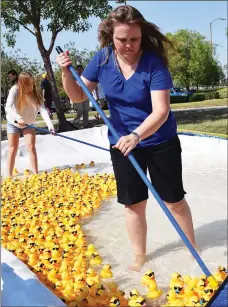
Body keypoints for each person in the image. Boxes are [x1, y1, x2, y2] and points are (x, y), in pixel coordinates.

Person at [56, 5, 198, 271]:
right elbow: (76, 97)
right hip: (123, 146)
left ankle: (192, 250)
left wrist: (137, 135)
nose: (129, 45)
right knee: (133, 204)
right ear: (111, 37)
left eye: (134, 38)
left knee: (173, 200)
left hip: (159, 141)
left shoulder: (154, 63)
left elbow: (161, 111)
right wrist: (66, 72)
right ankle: (139, 258)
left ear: (142, 35)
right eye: (122, 39)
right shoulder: (102, 59)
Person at [5, 71, 55, 178]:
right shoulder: (15, 90)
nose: (32, 86)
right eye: (29, 83)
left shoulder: (36, 93)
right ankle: (9, 176)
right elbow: (8, 107)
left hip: (29, 124)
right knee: (13, 148)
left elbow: (42, 110)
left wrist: (50, 125)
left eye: (32, 83)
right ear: (22, 84)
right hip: (14, 123)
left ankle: (36, 174)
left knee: (31, 147)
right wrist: (18, 118)